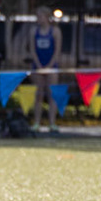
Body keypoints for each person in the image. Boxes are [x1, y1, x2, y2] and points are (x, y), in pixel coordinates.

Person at [17, 7, 64, 135]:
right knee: (39, 94)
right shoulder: (34, 31)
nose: (38, 19)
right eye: (37, 16)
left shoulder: (55, 31)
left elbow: (57, 51)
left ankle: (52, 122)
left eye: (40, 16)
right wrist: (38, 65)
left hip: (51, 66)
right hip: (37, 66)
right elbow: (32, 50)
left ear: (47, 17)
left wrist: (49, 66)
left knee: (52, 94)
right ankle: (37, 122)